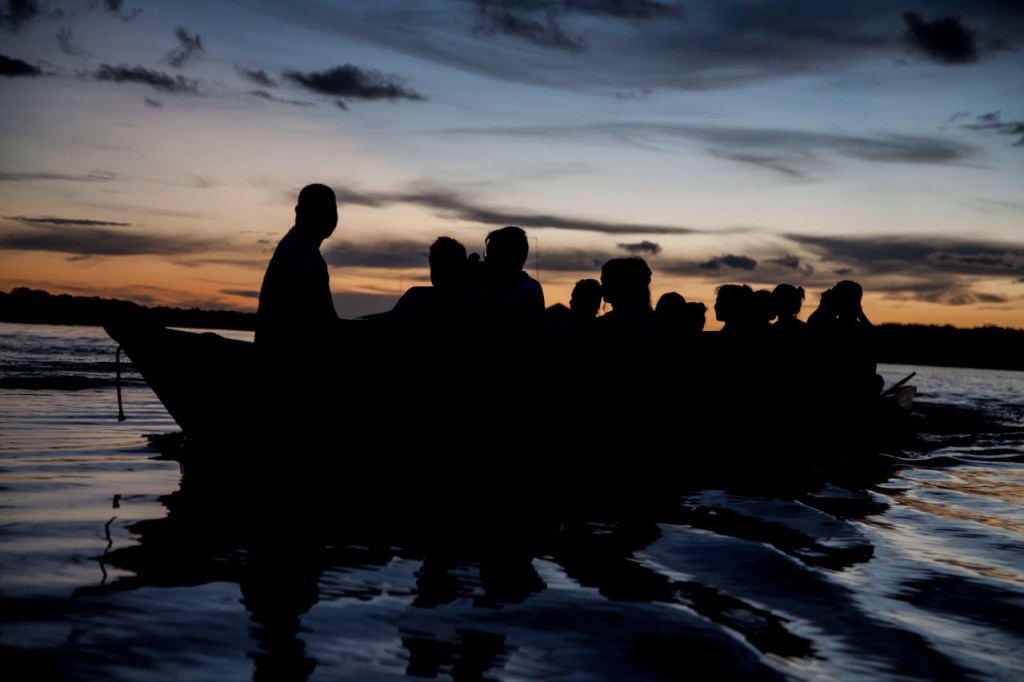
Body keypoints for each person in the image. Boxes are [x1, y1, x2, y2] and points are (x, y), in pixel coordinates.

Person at [470, 225, 545, 327]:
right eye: (486, 254)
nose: (486, 259)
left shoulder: (528, 290)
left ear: (508, 256)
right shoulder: (485, 283)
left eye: (491, 254)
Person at [390, 236, 471, 324]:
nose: (438, 272)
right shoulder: (416, 296)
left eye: (444, 265)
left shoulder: (416, 297)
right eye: (435, 265)